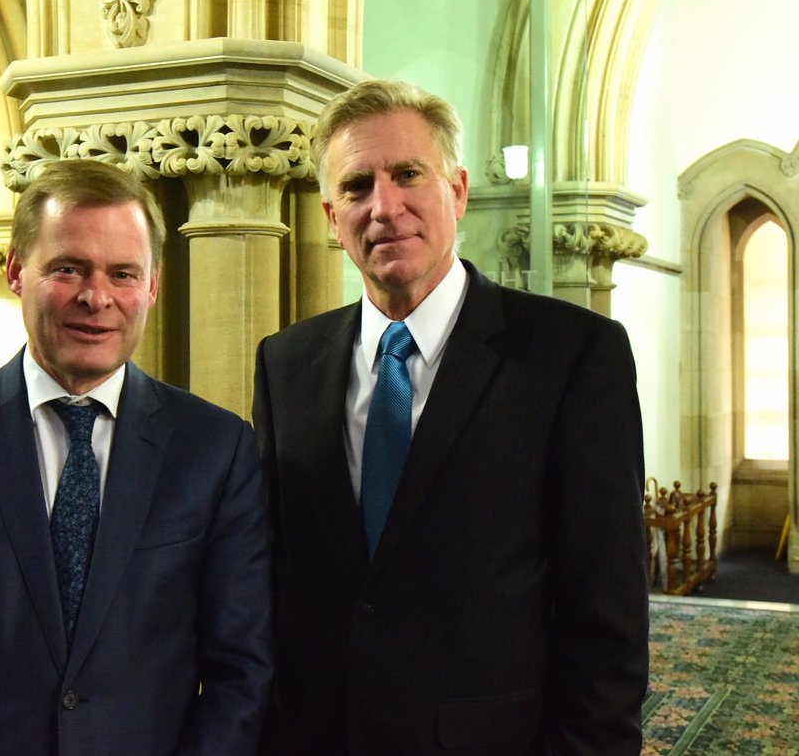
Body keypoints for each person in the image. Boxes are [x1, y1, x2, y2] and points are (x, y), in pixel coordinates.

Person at [253, 79, 648, 754]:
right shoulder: (286, 362)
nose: (385, 207)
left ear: (458, 191)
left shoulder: (572, 355)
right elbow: (276, 578)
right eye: (356, 187)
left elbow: (605, 614)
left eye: (409, 174)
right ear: (330, 217)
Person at [0, 158, 272, 755]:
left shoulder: (215, 449)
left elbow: (242, 672)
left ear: (152, 286)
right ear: (16, 271)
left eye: (123, 273)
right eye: (68, 268)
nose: (96, 297)